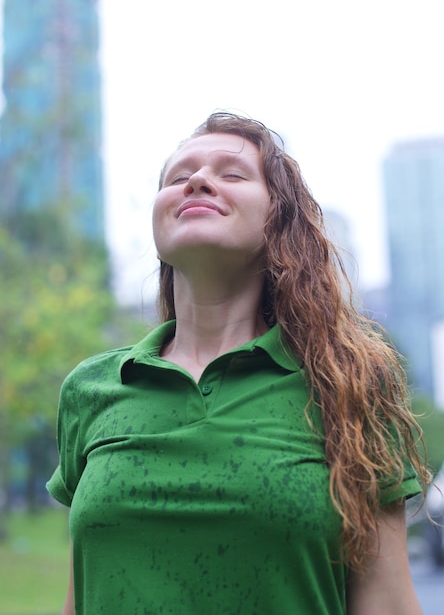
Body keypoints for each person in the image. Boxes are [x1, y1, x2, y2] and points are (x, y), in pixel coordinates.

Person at [47, 112, 430, 615]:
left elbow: (387, 602)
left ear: (279, 219)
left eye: (231, 174)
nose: (198, 181)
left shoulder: (350, 383)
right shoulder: (92, 389)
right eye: (179, 178)